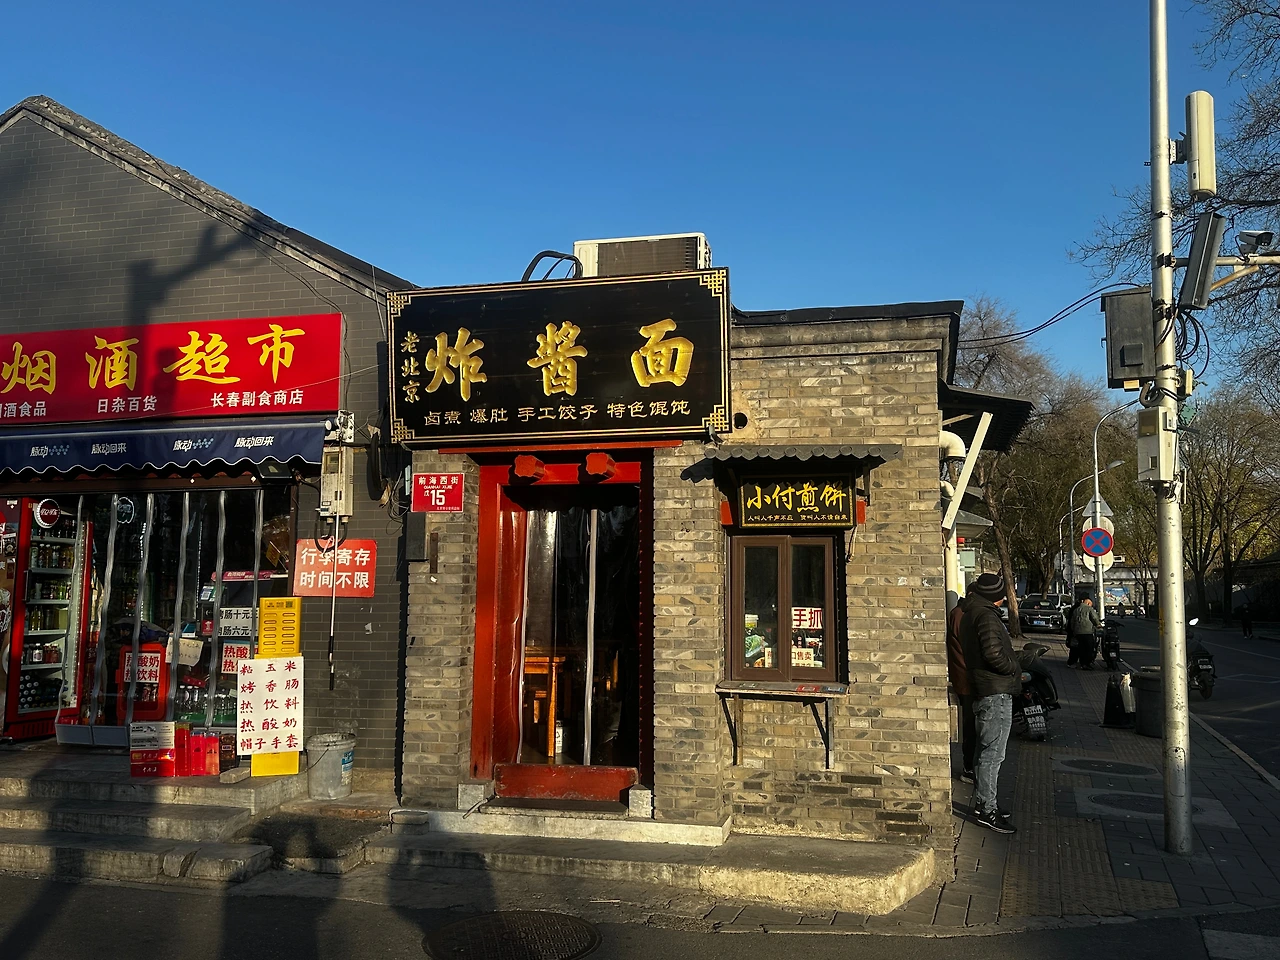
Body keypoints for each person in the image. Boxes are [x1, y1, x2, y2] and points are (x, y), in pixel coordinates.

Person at [958, 572, 1020, 834]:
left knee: (985, 751)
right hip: (995, 690)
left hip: (984, 688)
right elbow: (993, 653)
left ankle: (986, 802)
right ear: (997, 596)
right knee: (992, 754)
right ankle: (987, 809)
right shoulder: (985, 616)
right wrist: (1012, 668)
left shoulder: (971, 612)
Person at [945, 598, 976, 783]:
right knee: (970, 727)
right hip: (967, 680)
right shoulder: (961, 615)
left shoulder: (960, 613)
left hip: (965, 679)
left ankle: (970, 766)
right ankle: (969, 767)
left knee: (971, 726)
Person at [1069, 597, 1101, 669]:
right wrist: (1098, 624)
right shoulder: (1089, 609)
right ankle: (1086, 664)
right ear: (1088, 603)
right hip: (1087, 632)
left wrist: (1074, 630)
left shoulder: (1076, 610)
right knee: (1088, 648)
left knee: (1080, 648)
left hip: (1077, 632)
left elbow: (1072, 621)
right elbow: (1094, 618)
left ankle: (1081, 663)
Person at [1065, 597, 1083, 666]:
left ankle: (1072, 661)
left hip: (1072, 630)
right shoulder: (1078, 609)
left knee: (1073, 647)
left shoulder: (1073, 608)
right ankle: (1073, 661)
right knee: (1075, 647)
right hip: (1075, 630)